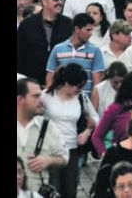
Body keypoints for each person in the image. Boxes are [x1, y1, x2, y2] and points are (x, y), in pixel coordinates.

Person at [42, 63, 99, 198]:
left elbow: (95, 117)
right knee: (53, 188)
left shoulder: (81, 97)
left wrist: (87, 132)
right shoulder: (46, 96)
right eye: (78, 86)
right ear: (68, 83)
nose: (80, 90)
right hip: (50, 149)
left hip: (71, 149)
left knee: (70, 190)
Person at [17, 78, 69, 192]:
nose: (41, 101)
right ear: (20, 100)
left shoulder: (48, 126)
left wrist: (49, 160)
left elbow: (64, 157)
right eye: (36, 96)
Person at [18, 0, 74, 84]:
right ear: (44, 1)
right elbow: (19, 54)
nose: (60, 2)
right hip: (32, 81)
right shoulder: (27, 24)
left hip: (61, 82)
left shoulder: (68, 24)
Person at [45, 13, 105, 95]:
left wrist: (92, 105)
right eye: (88, 30)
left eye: (92, 30)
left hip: (84, 102)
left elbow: (97, 84)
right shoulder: (57, 49)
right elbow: (50, 78)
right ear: (77, 29)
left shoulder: (96, 50)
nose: (91, 34)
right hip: (61, 101)